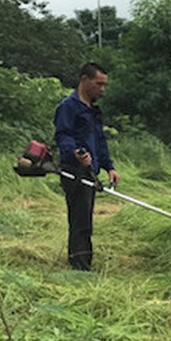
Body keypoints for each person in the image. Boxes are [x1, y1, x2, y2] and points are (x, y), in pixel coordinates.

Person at [54, 62, 120, 271]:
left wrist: (109, 167)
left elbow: (100, 141)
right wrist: (75, 153)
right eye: (99, 84)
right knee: (80, 218)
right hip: (73, 170)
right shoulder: (68, 106)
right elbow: (63, 135)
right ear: (84, 80)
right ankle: (80, 265)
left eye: (104, 85)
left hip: (91, 170)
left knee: (86, 216)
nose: (102, 90)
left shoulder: (92, 110)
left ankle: (83, 259)